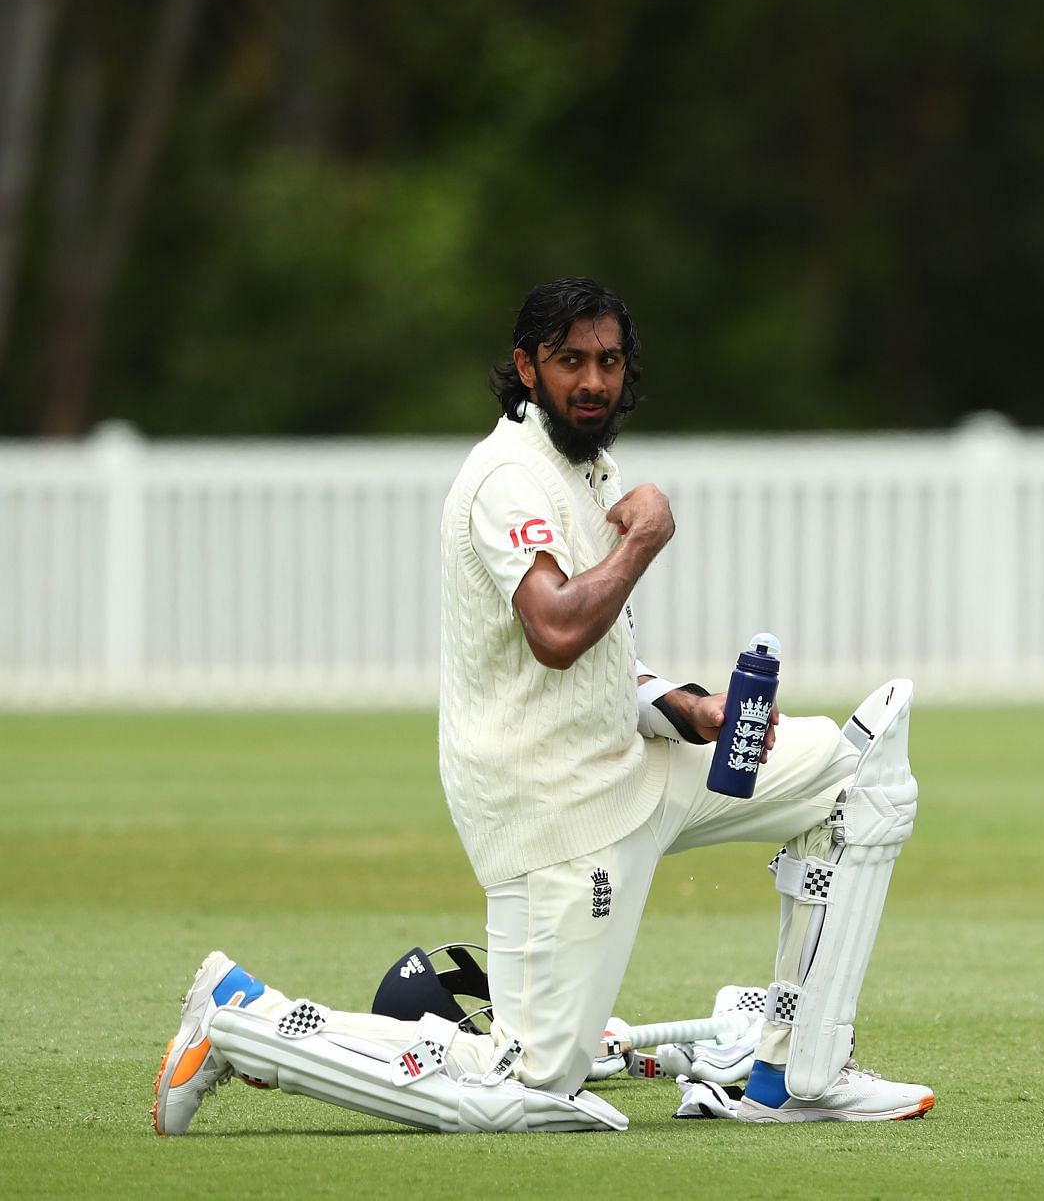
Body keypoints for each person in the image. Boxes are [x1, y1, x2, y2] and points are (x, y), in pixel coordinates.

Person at [153, 277, 932, 1134]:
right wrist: (644, 536)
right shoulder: (508, 478)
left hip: (633, 765)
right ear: (527, 367)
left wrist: (689, 706)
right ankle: (238, 1019)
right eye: (570, 361)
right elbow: (556, 630)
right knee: (524, 1087)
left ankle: (795, 1073)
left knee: (855, 778)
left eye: (608, 360)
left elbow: (599, 665)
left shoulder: (586, 465)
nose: (592, 381)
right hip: (555, 812)